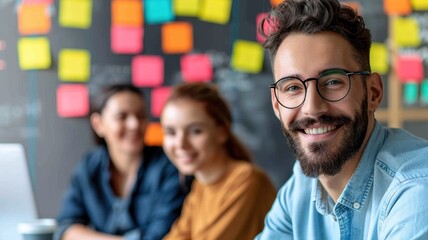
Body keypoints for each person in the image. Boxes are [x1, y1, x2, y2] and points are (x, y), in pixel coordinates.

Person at [255, 0, 428, 239]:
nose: (312, 108)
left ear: (373, 93)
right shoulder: (301, 186)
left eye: (334, 81)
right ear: (276, 104)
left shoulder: (417, 190)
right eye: (293, 87)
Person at [55, 84, 190, 240]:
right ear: (98, 124)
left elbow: (162, 234)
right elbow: (66, 227)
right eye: (122, 117)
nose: (134, 125)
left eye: (140, 115)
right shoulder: (89, 165)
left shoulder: (168, 166)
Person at [160, 82, 276, 240]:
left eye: (195, 131)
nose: (180, 144)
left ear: (222, 131)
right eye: (171, 132)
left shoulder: (247, 179)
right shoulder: (200, 186)